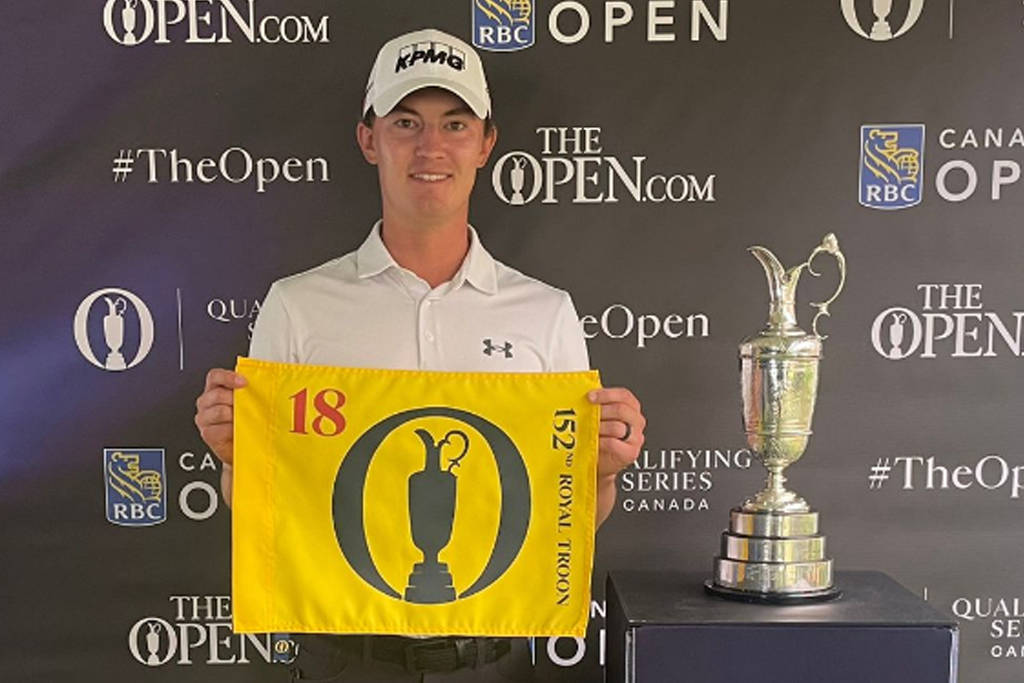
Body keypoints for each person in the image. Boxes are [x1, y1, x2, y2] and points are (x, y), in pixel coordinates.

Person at [194, 28, 646, 682]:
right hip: (346, 661)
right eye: (405, 123)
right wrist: (237, 456)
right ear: (368, 139)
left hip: (493, 661)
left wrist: (600, 474)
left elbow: (564, 520)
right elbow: (264, 510)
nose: (430, 147)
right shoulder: (297, 306)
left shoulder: (544, 313)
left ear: (485, 143)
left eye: (455, 124)